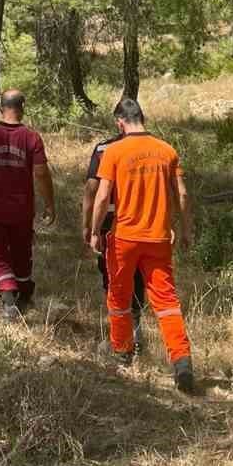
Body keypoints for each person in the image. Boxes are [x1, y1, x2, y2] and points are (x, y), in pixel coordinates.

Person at [87, 97, 195, 391]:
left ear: (120, 122)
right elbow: (182, 196)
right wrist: (186, 229)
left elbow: (101, 196)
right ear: (142, 118)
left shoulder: (115, 151)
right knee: (167, 302)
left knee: (119, 298)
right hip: (158, 238)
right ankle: (181, 360)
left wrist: (95, 231)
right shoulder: (167, 150)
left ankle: (122, 354)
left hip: (124, 237)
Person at [0, 89, 56, 321]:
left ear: (0, 108)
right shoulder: (32, 137)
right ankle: (23, 294)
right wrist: (49, 204)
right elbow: (42, 173)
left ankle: (9, 299)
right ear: (22, 107)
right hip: (21, 211)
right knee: (21, 253)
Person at [83, 133, 146, 339]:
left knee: (111, 275)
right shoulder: (151, 147)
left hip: (108, 221)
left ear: (119, 121)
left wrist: (89, 226)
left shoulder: (103, 149)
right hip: (140, 220)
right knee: (137, 273)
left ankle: (120, 331)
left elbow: (93, 190)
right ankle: (134, 325)